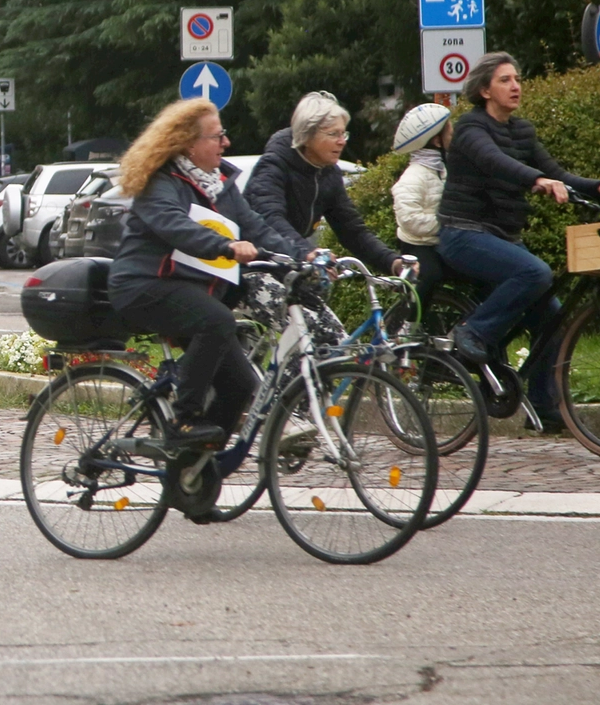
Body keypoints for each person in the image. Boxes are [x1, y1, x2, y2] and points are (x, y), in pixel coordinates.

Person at [107, 98, 303, 449]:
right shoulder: (160, 182)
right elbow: (175, 226)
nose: (225, 143)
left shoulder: (221, 184)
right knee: (216, 320)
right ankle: (184, 419)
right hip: (144, 285)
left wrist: (306, 255)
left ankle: (196, 478)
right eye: (217, 136)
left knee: (239, 386)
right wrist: (226, 247)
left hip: (188, 290)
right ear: (187, 144)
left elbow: (257, 228)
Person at [437, 52, 600, 431]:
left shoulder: (522, 131)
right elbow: (495, 162)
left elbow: (556, 173)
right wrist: (535, 181)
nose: (516, 86)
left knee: (553, 315)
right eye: (505, 80)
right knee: (535, 272)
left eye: (517, 79)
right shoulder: (470, 129)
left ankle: (545, 408)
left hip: (502, 237)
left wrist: (595, 186)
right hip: (463, 232)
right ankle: (472, 331)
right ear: (484, 90)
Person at [245, 92, 404, 277]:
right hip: (255, 264)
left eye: (343, 133)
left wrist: (392, 262)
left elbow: (352, 230)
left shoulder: (329, 173)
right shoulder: (274, 165)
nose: (342, 141)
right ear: (307, 135)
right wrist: (308, 253)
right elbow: (270, 220)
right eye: (333, 134)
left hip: (293, 263)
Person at [391, 103, 457, 316]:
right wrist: (446, 223)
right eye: (448, 129)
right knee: (431, 275)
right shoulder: (413, 176)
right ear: (436, 140)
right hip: (417, 245)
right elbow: (409, 218)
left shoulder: (441, 169)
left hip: (437, 242)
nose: (452, 133)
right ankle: (408, 324)